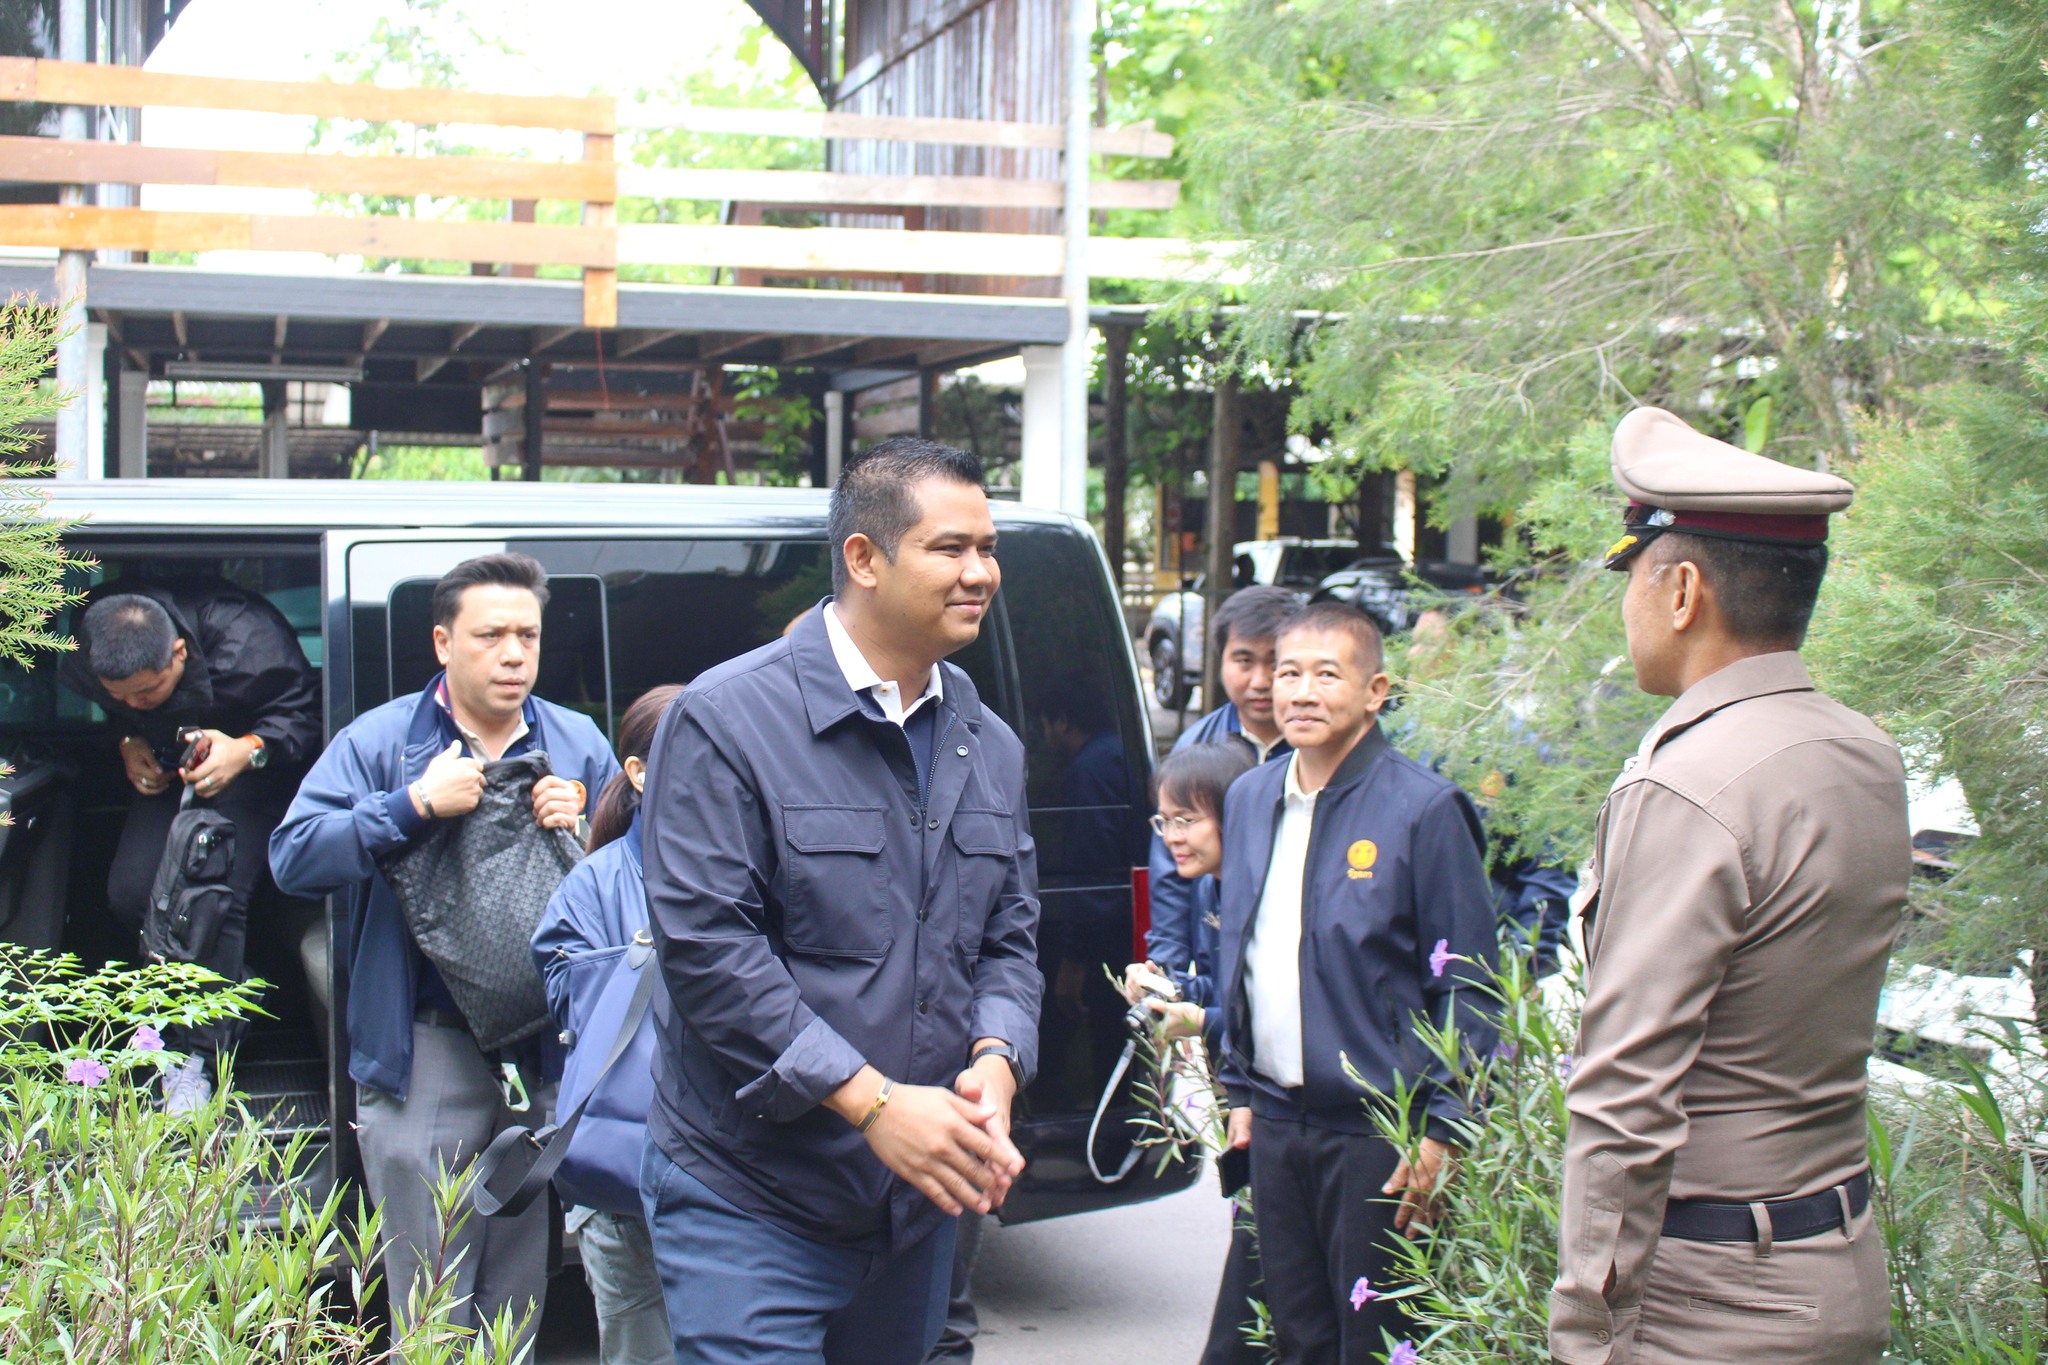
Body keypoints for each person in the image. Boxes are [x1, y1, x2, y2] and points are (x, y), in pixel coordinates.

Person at [637, 436, 1042, 1365]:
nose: (980, 571)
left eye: (988, 548)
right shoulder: (727, 718)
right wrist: (872, 1103)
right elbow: (708, 946)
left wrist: (997, 1058)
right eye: (950, 547)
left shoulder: (989, 742)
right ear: (864, 557)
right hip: (750, 1194)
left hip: (915, 1206)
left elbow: (1008, 940)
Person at [1548, 408, 1910, 1364]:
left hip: (1711, 1300)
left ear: (1682, 592)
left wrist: (1587, 1334)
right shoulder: (1861, 751)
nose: (1626, 605)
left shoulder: (1689, 785)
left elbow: (1625, 1095)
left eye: (1631, 575)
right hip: (1833, 1263)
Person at [269, 552, 619, 1346]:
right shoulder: (383, 742)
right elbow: (293, 857)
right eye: (491, 635)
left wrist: (586, 821)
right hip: (424, 1045)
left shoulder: (576, 740)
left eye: (527, 635)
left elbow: (640, 878)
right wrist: (412, 803)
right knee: (429, 1288)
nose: (513, 653)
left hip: (544, 1048)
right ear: (443, 641)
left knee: (518, 1287)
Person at [1216, 601, 1499, 1365]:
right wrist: (1237, 1088)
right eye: (1288, 673)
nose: (1300, 692)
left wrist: (1446, 1127)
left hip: (1381, 1132)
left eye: (1326, 674)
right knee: (1297, 1336)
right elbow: (1241, 950)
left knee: (1375, 1342)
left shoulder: (1424, 809)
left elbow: (1471, 985)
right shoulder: (1251, 797)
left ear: (1376, 691)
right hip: (1276, 1123)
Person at [60, 579, 321, 1111]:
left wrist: (248, 749)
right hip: (173, 770)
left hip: (256, 769)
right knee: (131, 895)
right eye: (120, 696)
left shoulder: (247, 639)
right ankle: (228, 992)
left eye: (147, 692)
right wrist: (128, 738)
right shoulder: (94, 647)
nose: (134, 702)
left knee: (206, 900)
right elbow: (121, 711)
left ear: (179, 652)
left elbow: (310, 716)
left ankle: (197, 1055)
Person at [531, 684, 683, 1365]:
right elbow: (583, 1022)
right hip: (628, 1186)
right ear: (638, 773)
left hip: (742, 1183)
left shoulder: (761, 869)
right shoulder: (592, 886)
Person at [1118, 742, 1261, 1365]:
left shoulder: (1265, 892)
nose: (1173, 837)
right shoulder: (1210, 886)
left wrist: (1199, 1018)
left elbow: (1280, 1018)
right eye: (1164, 821)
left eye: (1188, 820)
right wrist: (1165, 988)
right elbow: (1223, 994)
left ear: (1235, 816)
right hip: (1244, 1095)